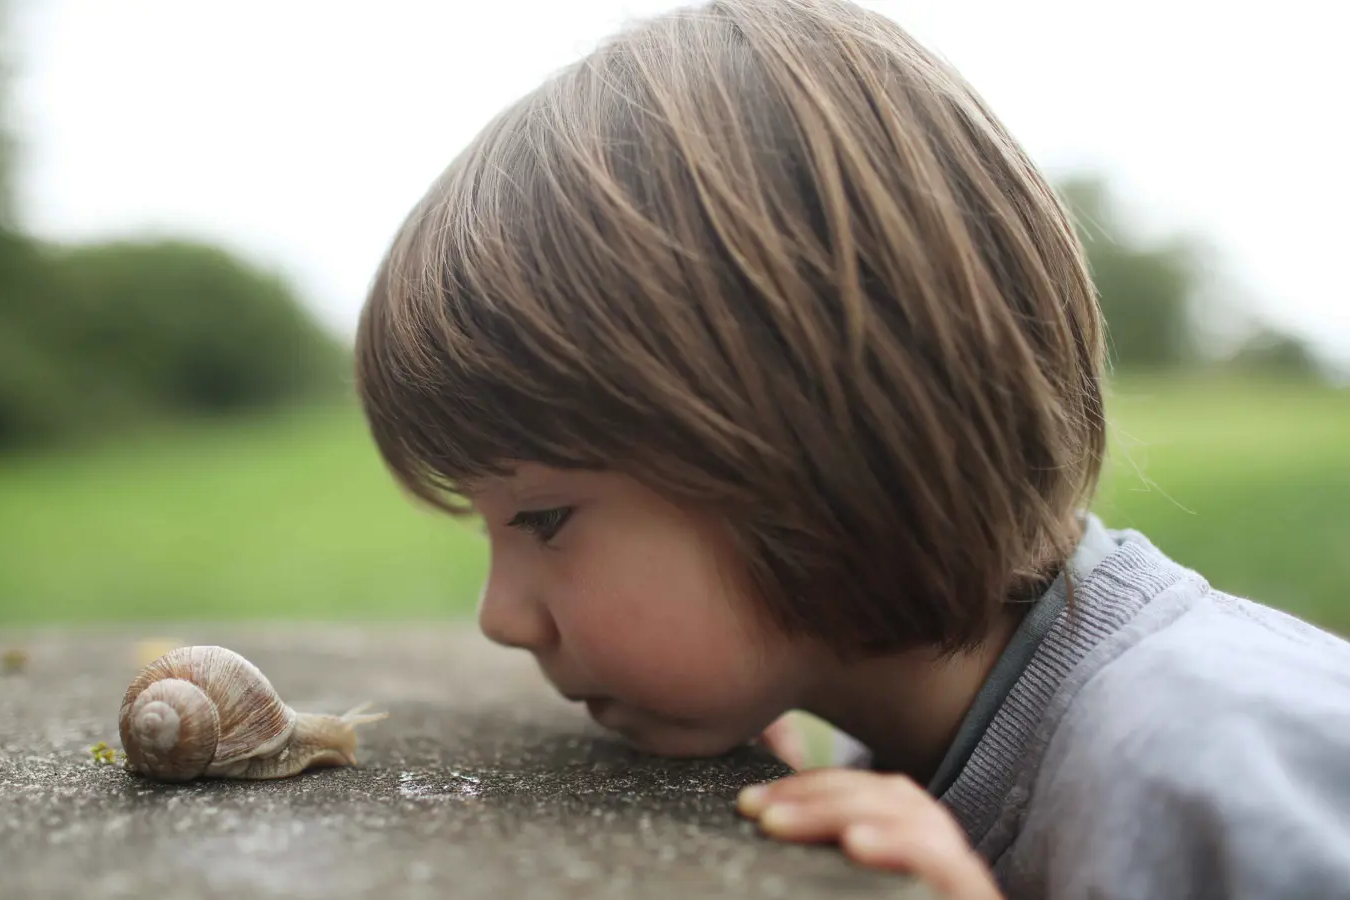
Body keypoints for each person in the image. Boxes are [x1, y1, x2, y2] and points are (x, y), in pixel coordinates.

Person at [350, 1, 1350, 897]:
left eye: (542, 519)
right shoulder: (920, 741)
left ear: (811, 446)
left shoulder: (1219, 760)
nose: (500, 618)